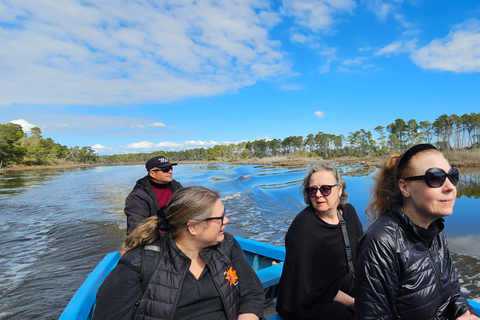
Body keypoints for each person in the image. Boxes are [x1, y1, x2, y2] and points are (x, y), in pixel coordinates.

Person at [94, 186, 265, 320]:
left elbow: (252, 292)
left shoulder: (226, 245)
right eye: (220, 217)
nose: (226, 220)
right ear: (193, 227)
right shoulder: (139, 264)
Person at [355, 144, 479, 320]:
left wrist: (466, 314)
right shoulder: (380, 243)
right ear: (404, 187)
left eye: (452, 176)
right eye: (435, 178)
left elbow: (453, 291)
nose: (450, 186)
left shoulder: (435, 229)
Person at [276, 162, 364, 320]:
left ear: (340, 189)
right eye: (312, 190)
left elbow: (362, 256)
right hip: (312, 299)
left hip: (348, 287)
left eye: (325, 189)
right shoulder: (303, 227)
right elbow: (309, 287)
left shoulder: (349, 214)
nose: (318, 194)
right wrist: (352, 302)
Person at [125, 155, 183, 234]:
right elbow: (136, 229)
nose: (170, 171)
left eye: (171, 168)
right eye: (165, 169)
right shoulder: (137, 196)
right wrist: (159, 222)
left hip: (177, 232)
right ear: (152, 174)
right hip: (155, 237)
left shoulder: (177, 187)